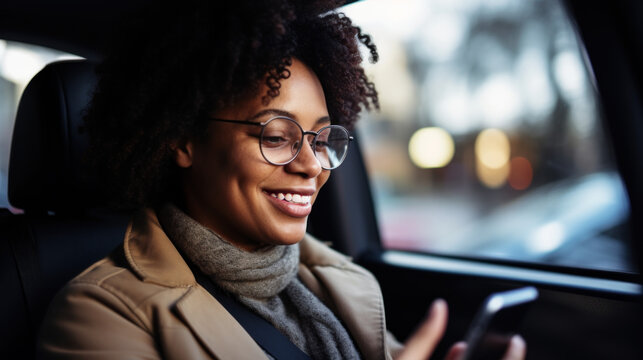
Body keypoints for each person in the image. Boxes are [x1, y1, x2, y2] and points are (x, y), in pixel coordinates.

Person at [37, 1, 526, 359]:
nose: (311, 165)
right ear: (184, 141)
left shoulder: (334, 281)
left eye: (320, 139)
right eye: (276, 135)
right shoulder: (100, 314)